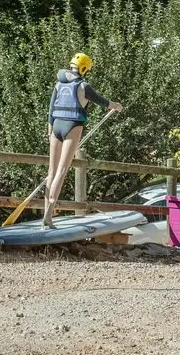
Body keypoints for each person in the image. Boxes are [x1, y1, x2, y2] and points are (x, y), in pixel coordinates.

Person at [43, 52, 123, 228]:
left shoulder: (59, 83)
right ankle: (49, 217)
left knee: (51, 171)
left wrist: (50, 130)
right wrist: (116, 106)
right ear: (84, 68)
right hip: (72, 125)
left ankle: (45, 212)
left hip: (55, 126)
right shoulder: (84, 86)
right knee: (62, 171)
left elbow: (50, 109)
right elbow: (103, 102)